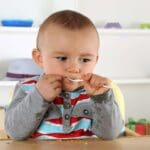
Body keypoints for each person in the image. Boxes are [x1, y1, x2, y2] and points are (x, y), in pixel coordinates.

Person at [5, 10, 124, 140]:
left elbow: (111, 134)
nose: (74, 68)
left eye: (85, 60)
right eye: (62, 58)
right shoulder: (27, 88)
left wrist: (101, 99)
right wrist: (39, 96)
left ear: (95, 60)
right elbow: (14, 132)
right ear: (40, 58)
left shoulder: (99, 92)